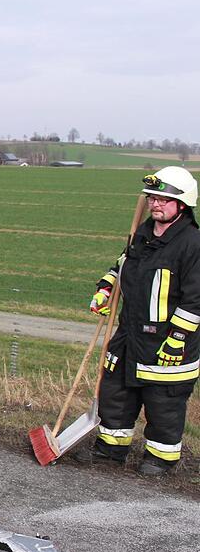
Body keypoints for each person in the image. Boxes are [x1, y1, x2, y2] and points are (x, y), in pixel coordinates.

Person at [87, 166, 200, 476]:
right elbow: (121, 265)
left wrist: (177, 339)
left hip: (167, 343)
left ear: (182, 204)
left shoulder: (192, 244)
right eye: (152, 198)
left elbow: (195, 301)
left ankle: (160, 461)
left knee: (163, 404)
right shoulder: (142, 234)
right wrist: (106, 288)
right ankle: (111, 450)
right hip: (130, 334)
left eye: (163, 199)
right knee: (116, 391)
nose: (155, 204)